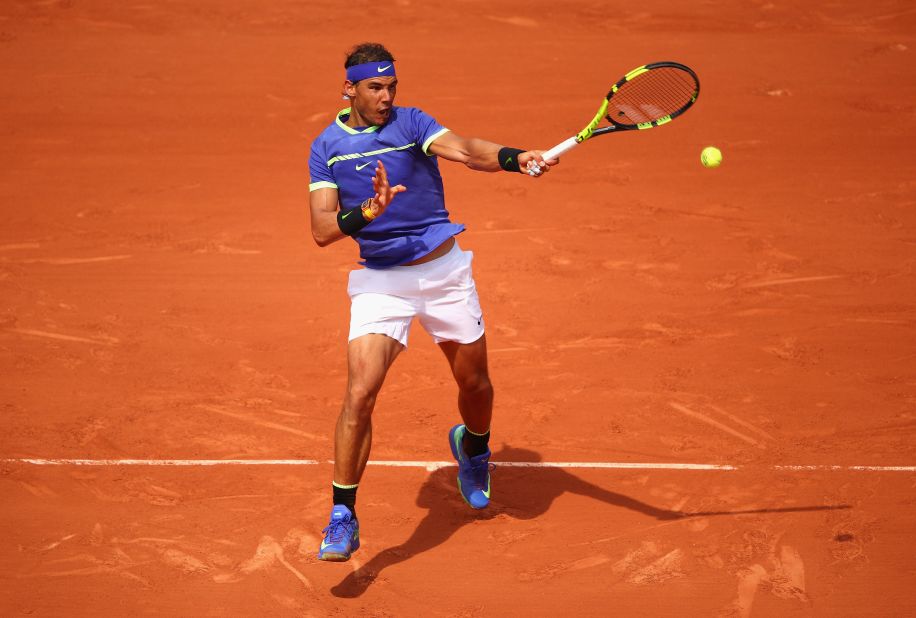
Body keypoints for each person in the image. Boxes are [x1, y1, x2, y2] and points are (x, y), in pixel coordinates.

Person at [307, 42, 555, 562]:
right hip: (381, 283)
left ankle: (473, 446)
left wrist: (514, 158)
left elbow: (466, 150)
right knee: (360, 393)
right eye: (375, 87)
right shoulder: (326, 146)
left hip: (443, 272)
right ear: (349, 89)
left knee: (475, 384)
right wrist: (367, 214)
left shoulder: (413, 124)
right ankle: (342, 513)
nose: (386, 96)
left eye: (391, 85)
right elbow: (323, 229)